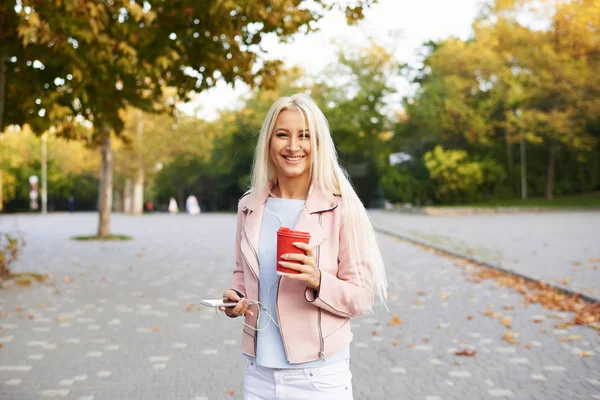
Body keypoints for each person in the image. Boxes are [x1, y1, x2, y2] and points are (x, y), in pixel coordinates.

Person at [220, 94, 387, 399]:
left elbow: (361, 298)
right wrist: (236, 297)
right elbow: (241, 274)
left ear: (318, 144)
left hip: (319, 376)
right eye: (282, 134)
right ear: (268, 143)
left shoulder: (342, 207)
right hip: (259, 373)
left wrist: (318, 280)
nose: (293, 146)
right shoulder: (249, 205)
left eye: (305, 136)